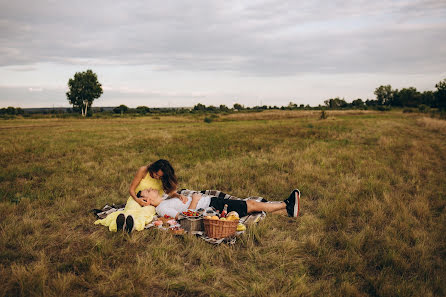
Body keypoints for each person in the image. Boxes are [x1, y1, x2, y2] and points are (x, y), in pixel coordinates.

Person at [95, 159, 187, 233]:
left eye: (160, 177)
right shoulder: (143, 170)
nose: (158, 178)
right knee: (131, 208)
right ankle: (121, 222)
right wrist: (137, 200)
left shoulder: (163, 177)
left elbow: (170, 191)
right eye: (156, 175)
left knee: (145, 213)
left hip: (151, 203)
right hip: (136, 197)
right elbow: (131, 189)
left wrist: (178, 195)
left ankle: (132, 225)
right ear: (153, 169)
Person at [140, 188, 301, 220]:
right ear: (147, 201)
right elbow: (183, 217)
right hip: (212, 206)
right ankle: (286, 204)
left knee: (249, 207)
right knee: (250, 204)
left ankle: (288, 212)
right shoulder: (161, 208)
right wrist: (195, 200)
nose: (150, 188)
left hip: (211, 201)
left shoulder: (165, 198)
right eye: (147, 191)